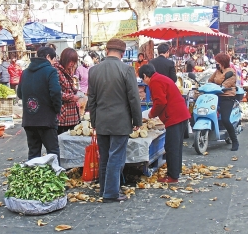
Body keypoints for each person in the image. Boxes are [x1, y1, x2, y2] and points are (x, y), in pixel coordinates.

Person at [88, 38, 142, 203]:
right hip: (120, 121)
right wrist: (137, 120)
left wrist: (94, 121)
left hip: (102, 120)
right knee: (116, 157)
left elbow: (92, 99)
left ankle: (104, 189)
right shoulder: (126, 70)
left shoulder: (94, 70)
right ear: (123, 53)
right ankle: (111, 192)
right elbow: (133, 98)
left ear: (106, 51)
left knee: (105, 157)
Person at [138, 64, 190, 183]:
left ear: (145, 76)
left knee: (171, 147)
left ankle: (172, 176)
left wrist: (150, 115)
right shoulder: (161, 78)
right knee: (176, 146)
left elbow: (160, 102)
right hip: (180, 114)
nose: (144, 82)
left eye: (143, 79)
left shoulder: (155, 82)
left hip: (174, 116)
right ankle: (176, 171)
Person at [17, 47, 62, 162]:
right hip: (47, 120)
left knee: (33, 153)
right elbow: (56, 93)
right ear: (47, 57)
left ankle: (33, 179)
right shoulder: (50, 71)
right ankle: (55, 179)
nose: (54, 62)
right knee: (53, 153)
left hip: (29, 120)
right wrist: (57, 109)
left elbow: (20, 93)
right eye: (53, 59)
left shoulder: (25, 72)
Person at [208, 53, 239, 151]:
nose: (216, 63)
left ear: (222, 62)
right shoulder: (217, 71)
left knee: (225, 119)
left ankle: (235, 141)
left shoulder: (231, 72)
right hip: (215, 96)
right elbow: (210, 80)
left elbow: (226, 84)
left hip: (227, 97)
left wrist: (221, 87)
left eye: (217, 62)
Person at [54, 48, 81, 134]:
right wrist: (71, 97)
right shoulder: (56, 71)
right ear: (64, 59)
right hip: (63, 114)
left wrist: (75, 90)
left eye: (74, 61)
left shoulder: (69, 70)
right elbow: (56, 92)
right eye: (70, 61)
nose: (72, 64)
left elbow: (67, 87)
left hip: (72, 113)